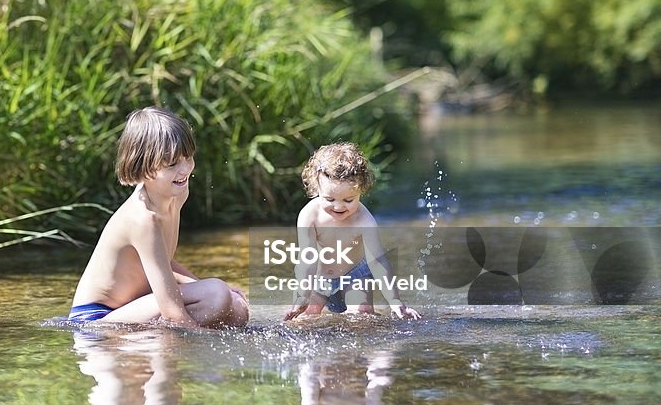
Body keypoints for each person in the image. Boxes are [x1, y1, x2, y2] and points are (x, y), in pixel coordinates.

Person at [69, 107, 249, 328]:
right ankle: (158, 346)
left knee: (237, 308)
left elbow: (161, 262)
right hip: (95, 322)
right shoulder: (143, 218)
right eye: (172, 164)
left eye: (188, 158)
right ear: (143, 169)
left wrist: (203, 286)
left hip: (135, 308)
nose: (185, 169)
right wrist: (209, 349)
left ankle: (156, 345)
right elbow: (173, 314)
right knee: (215, 295)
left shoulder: (177, 192)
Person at [284, 142, 421, 320]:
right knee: (305, 318)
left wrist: (395, 301)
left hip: (355, 275)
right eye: (329, 199)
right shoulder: (309, 216)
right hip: (317, 277)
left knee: (361, 315)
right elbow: (307, 260)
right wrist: (302, 295)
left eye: (348, 200)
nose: (339, 206)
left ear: (361, 190)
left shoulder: (365, 220)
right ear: (317, 188)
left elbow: (377, 261)